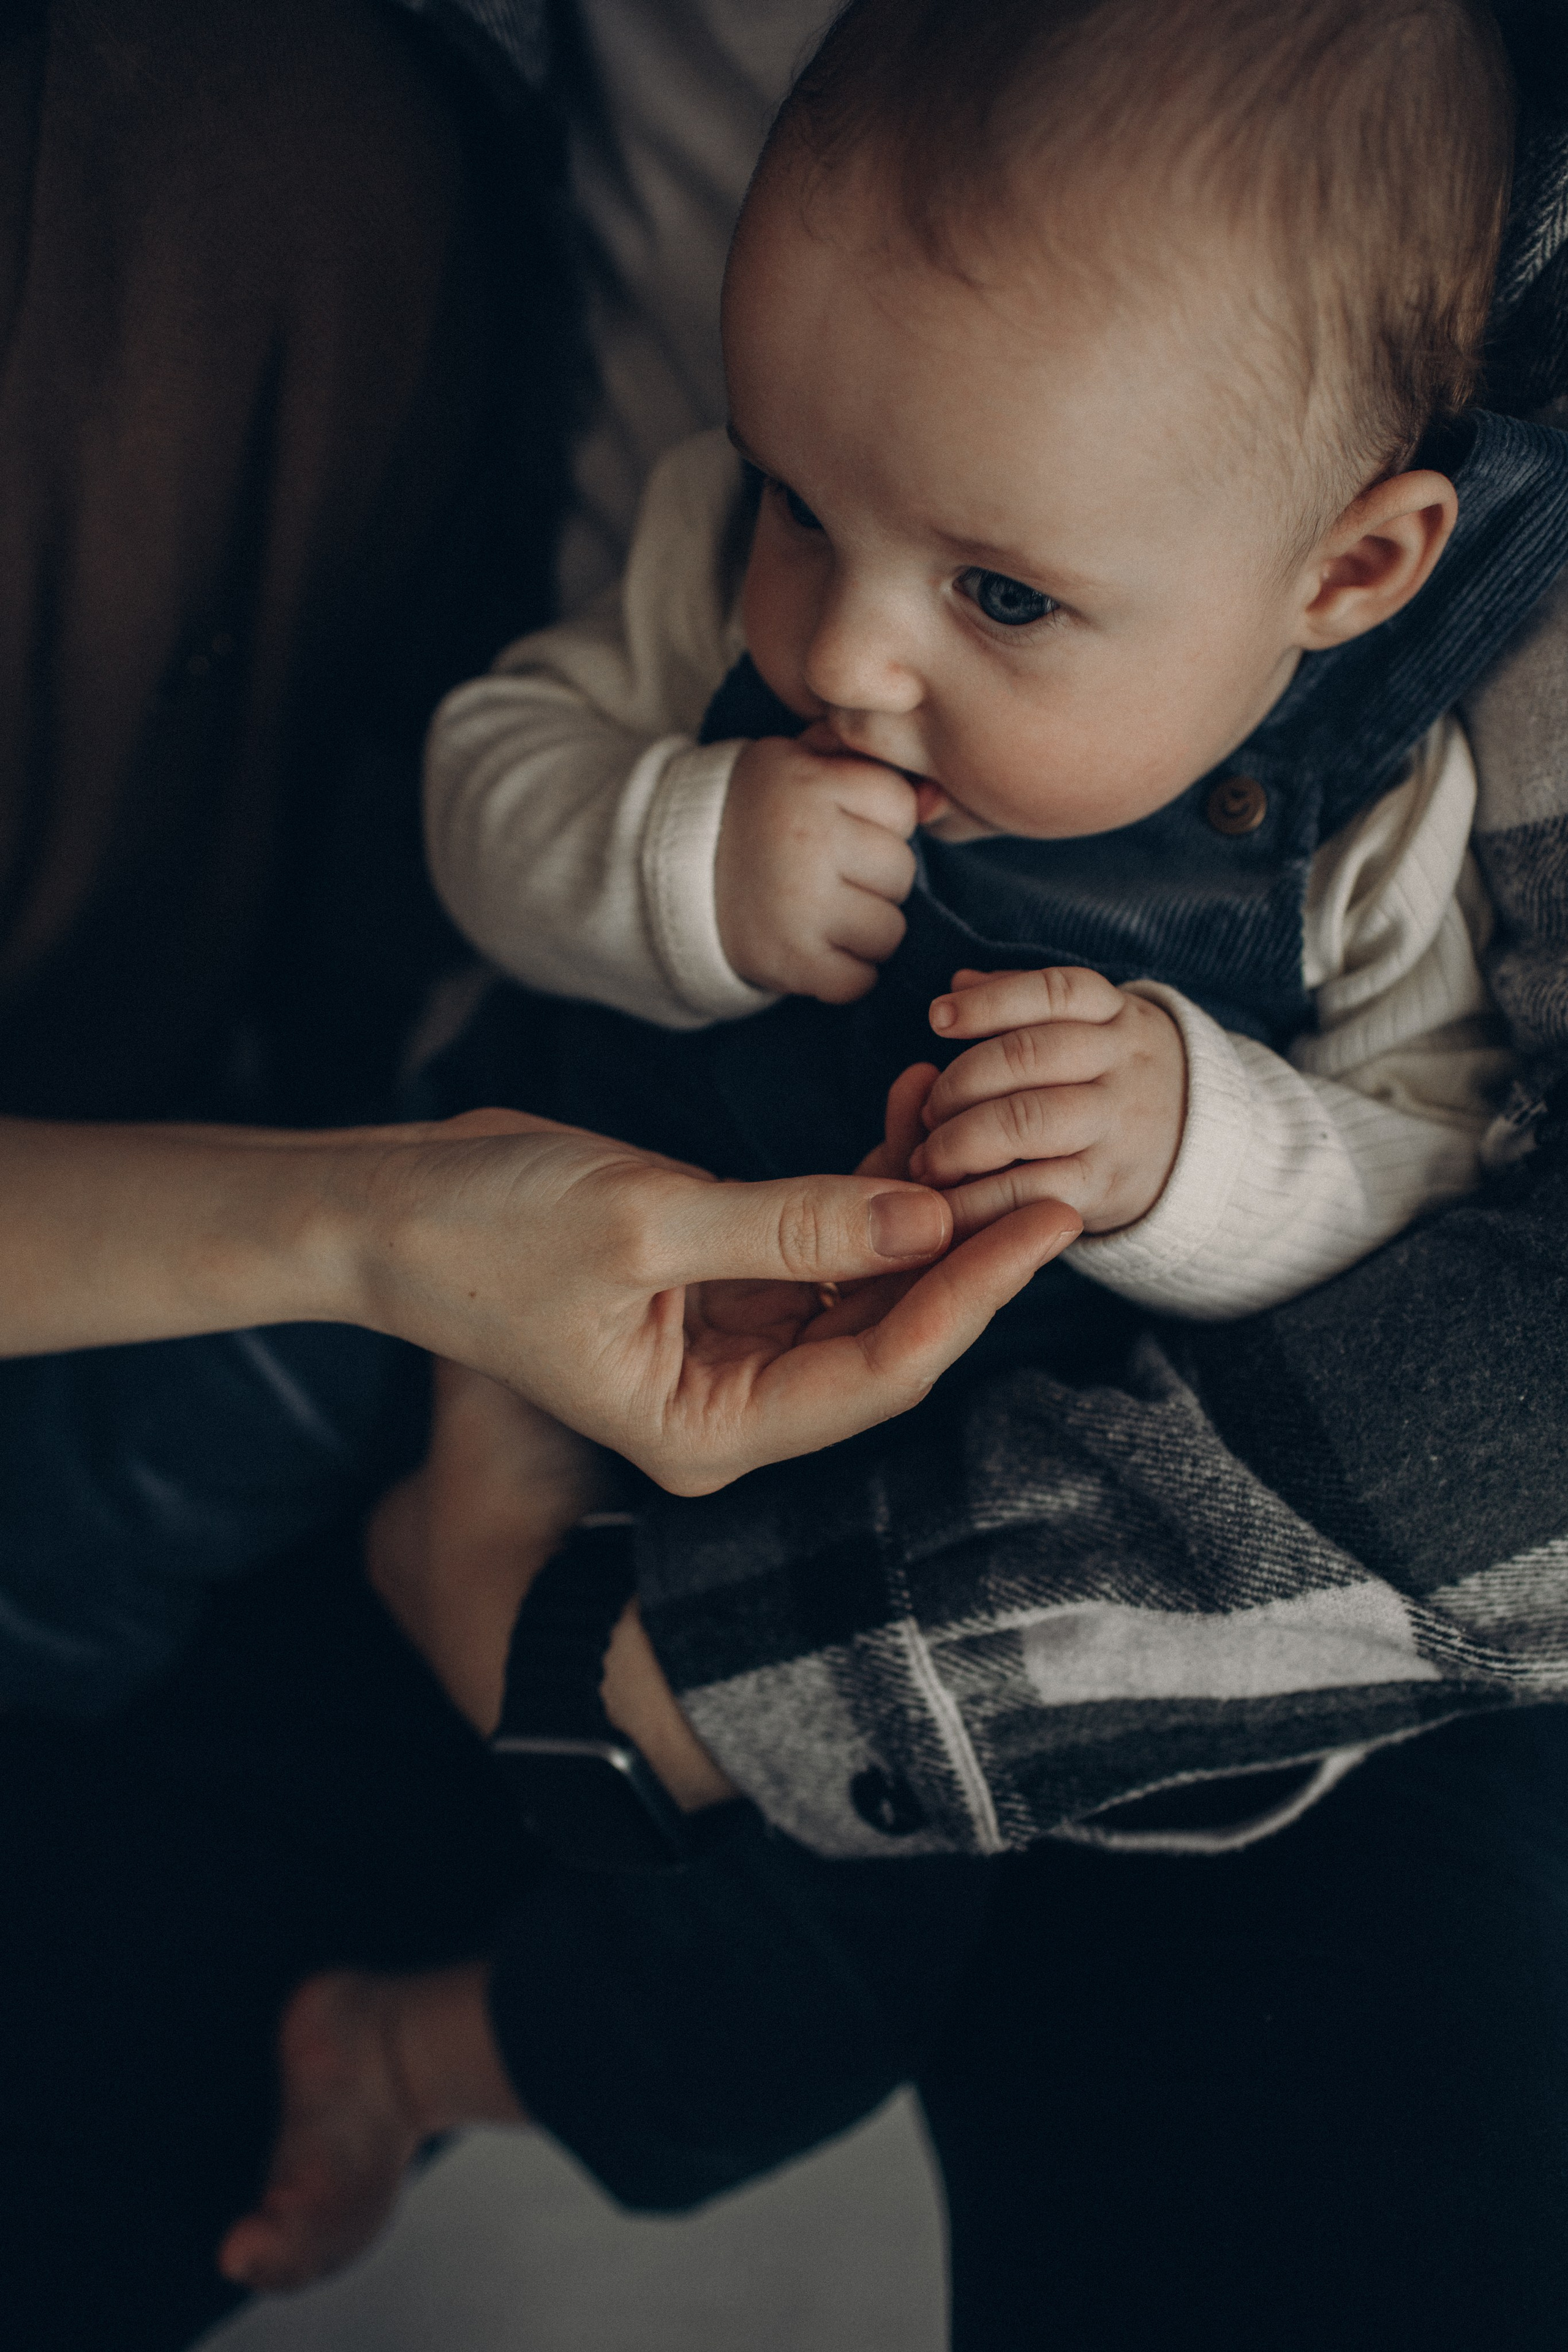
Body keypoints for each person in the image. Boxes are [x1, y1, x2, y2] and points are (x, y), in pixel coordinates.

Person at [217, 6, 1568, 2347]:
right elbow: (491, 782)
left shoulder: (1389, 822)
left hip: (920, 1493)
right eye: (794, 504)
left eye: (1006, 602)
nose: (839, 647)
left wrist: (1197, 1144)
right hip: (529, 1233)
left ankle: (404, 2052)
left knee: (791, 2010)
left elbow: (1427, 1184)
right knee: (199, 1387)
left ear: (1348, 573)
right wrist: (664, 856)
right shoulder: (770, 566)